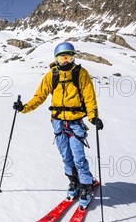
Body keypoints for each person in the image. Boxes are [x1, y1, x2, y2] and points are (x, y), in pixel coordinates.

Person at [13, 42, 104, 208]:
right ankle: (73, 182)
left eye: (69, 57)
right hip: (57, 123)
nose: (66, 60)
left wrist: (93, 117)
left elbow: (89, 98)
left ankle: (85, 186)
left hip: (75, 122)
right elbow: (39, 96)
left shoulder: (81, 74)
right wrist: (24, 108)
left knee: (79, 157)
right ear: (56, 58)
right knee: (66, 156)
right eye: (62, 57)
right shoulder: (51, 75)